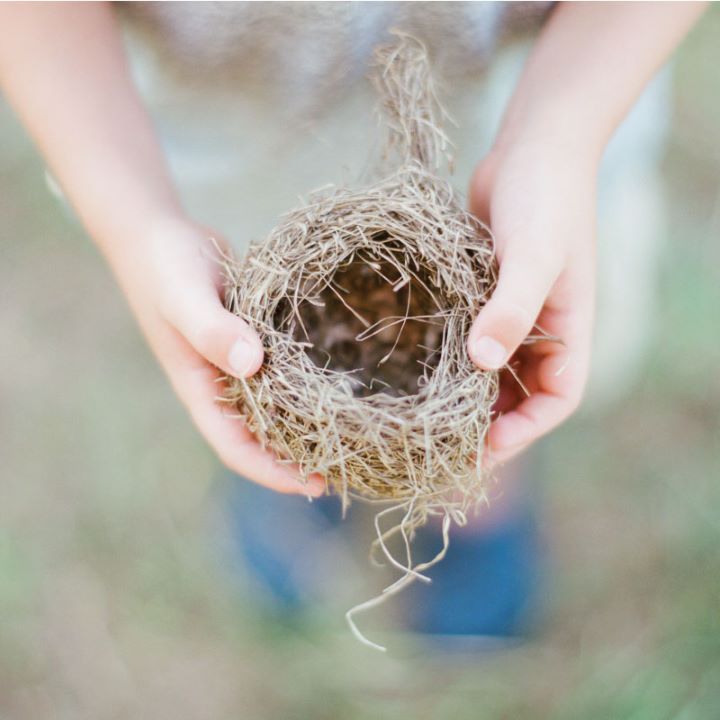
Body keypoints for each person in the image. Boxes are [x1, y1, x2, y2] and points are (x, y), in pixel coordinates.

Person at [0, 2, 705, 638]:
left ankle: (475, 482)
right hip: (230, 141)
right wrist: (140, 223)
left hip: (534, 103)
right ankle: (299, 458)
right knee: (259, 342)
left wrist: (557, 139)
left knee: (498, 341)